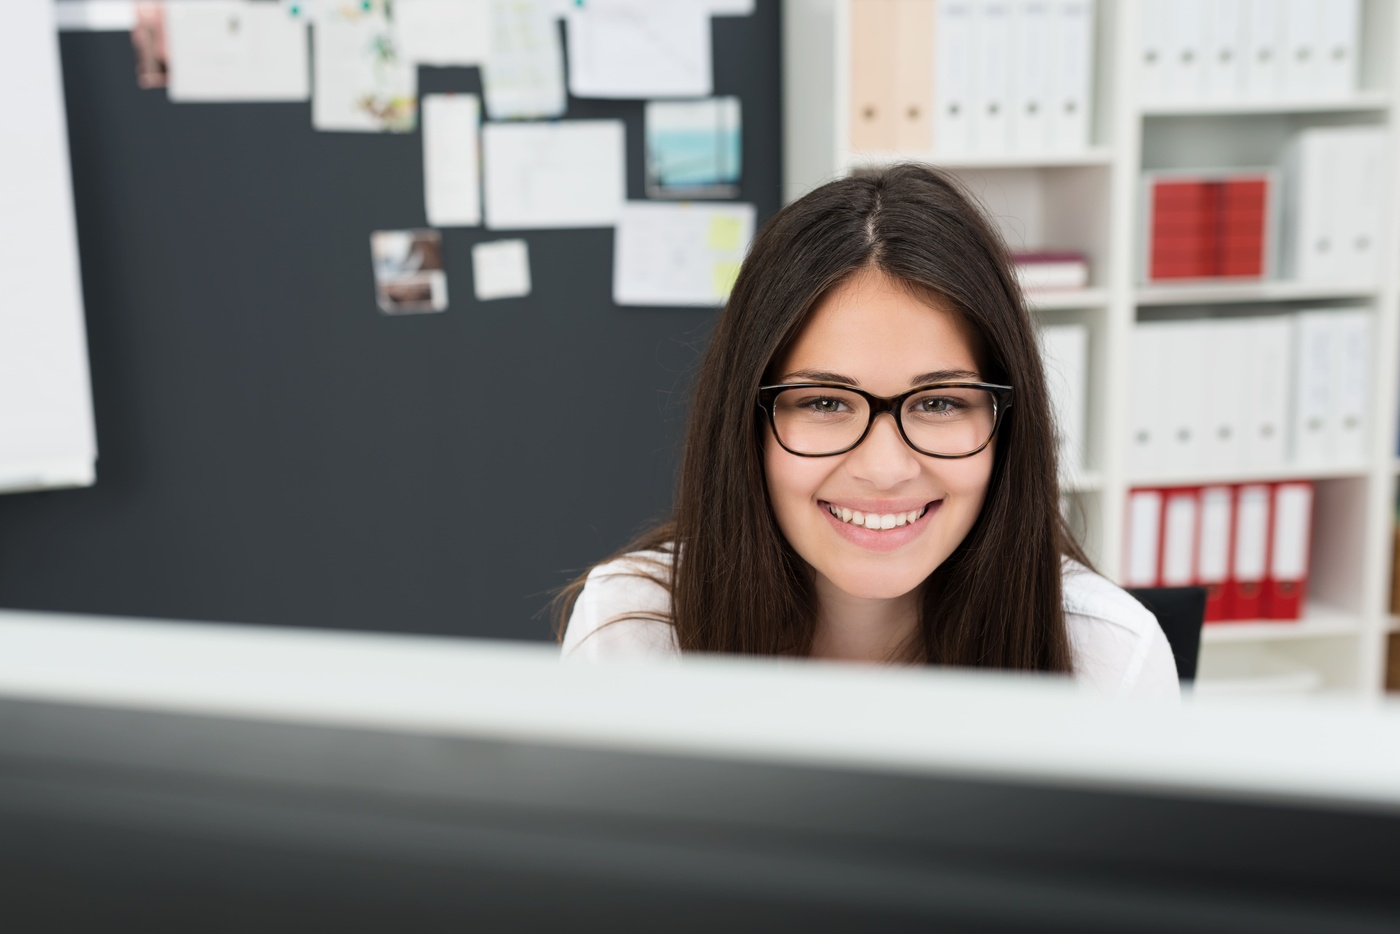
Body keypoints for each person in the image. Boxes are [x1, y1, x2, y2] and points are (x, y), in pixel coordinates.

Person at [557, 164, 1179, 699]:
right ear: (745, 425)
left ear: (1006, 425)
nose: (885, 469)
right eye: (826, 401)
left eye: (938, 403)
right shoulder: (631, 634)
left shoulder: (1109, 659)